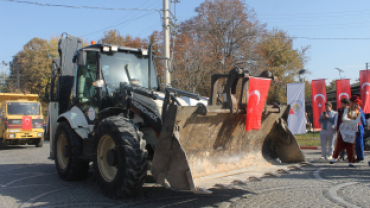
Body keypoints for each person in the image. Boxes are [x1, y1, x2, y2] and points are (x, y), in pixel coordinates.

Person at [330, 96, 362, 167]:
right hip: (343, 130)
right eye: (355, 103)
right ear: (352, 103)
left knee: (350, 147)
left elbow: (356, 122)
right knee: (339, 145)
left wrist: (349, 121)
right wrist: (352, 122)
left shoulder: (359, 113)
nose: (356, 105)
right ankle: (334, 158)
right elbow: (343, 118)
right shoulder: (347, 109)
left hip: (352, 131)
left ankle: (351, 162)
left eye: (357, 104)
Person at [350, 95, 366, 163]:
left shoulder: (359, 110)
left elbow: (362, 119)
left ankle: (360, 156)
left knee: (359, 142)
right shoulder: (353, 109)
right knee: (356, 143)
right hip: (355, 127)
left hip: (359, 127)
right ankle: (358, 155)